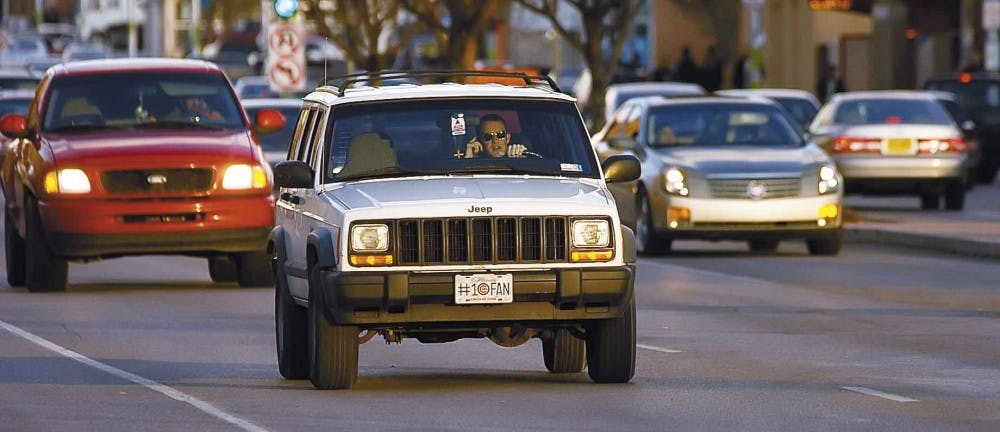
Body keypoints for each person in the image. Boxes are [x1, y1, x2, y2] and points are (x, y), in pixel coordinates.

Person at [463, 113, 528, 158]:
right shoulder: (475, 165)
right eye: (488, 136)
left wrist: (523, 156)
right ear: (480, 141)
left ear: (507, 138)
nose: (495, 141)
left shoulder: (520, 156)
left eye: (500, 134)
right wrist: (468, 159)